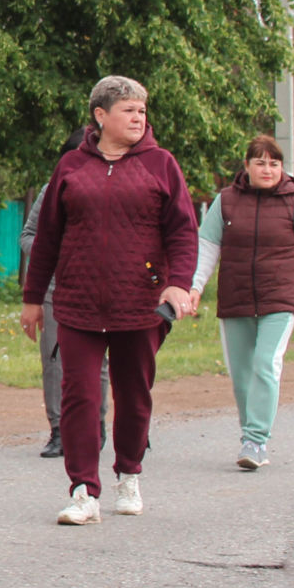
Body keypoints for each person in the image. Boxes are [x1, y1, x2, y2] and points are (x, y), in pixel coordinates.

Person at [22, 76, 196, 526]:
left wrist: (177, 283)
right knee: (78, 395)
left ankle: (128, 473)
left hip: (140, 303)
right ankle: (83, 491)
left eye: (142, 111)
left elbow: (182, 232)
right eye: (129, 111)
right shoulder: (71, 168)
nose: (139, 118)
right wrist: (33, 298)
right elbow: (47, 239)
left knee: (134, 395)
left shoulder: (161, 165)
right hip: (76, 302)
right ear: (100, 116)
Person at [186, 134, 294, 470]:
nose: (267, 169)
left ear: (282, 168)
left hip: (282, 297)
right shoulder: (227, 201)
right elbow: (208, 245)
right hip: (237, 297)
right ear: (246, 166)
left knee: (265, 363)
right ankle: (250, 435)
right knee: (242, 373)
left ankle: (256, 440)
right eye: (260, 162)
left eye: (274, 163)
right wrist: (195, 286)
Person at [22, 126, 109, 459]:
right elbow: (28, 236)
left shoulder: (115, 187)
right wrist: (53, 253)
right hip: (55, 288)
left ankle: (96, 424)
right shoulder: (50, 191)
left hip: (99, 289)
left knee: (97, 363)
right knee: (54, 360)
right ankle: (59, 431)